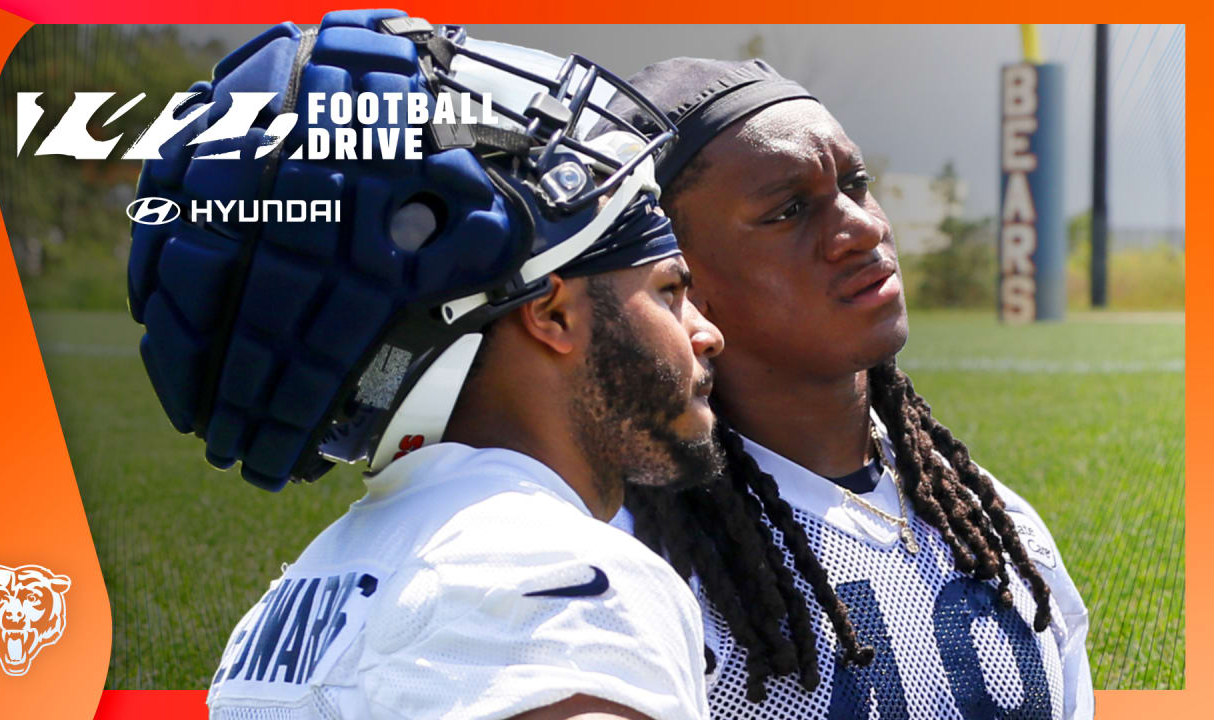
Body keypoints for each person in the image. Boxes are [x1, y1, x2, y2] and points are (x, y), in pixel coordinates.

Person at [127, 12, 723, 719]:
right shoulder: (558, 581)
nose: (706, 333)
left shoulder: (282, 607)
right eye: (669, 291)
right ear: (554, 313)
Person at [611, 58, 1093, 719]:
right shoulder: (637, 564)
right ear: (678, 280)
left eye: (856, 184)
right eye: (788, 212)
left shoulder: (996, 525)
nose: (864, 229)